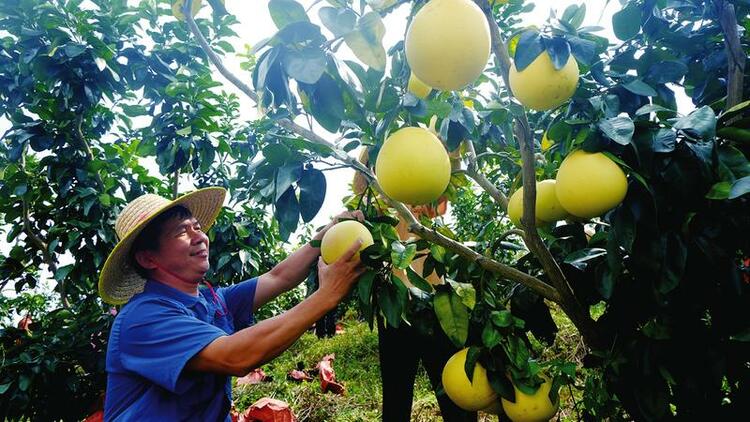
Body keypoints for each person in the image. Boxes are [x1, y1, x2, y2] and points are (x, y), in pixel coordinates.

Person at [99, 187, 365, 421]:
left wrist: (324, 236)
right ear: (148, 259)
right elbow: (236, 356)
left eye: (197, 227)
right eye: (181, 231)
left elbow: (278, 277)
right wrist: (326, 295)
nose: (199, 237)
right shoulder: (143, 318)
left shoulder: (212, 300)